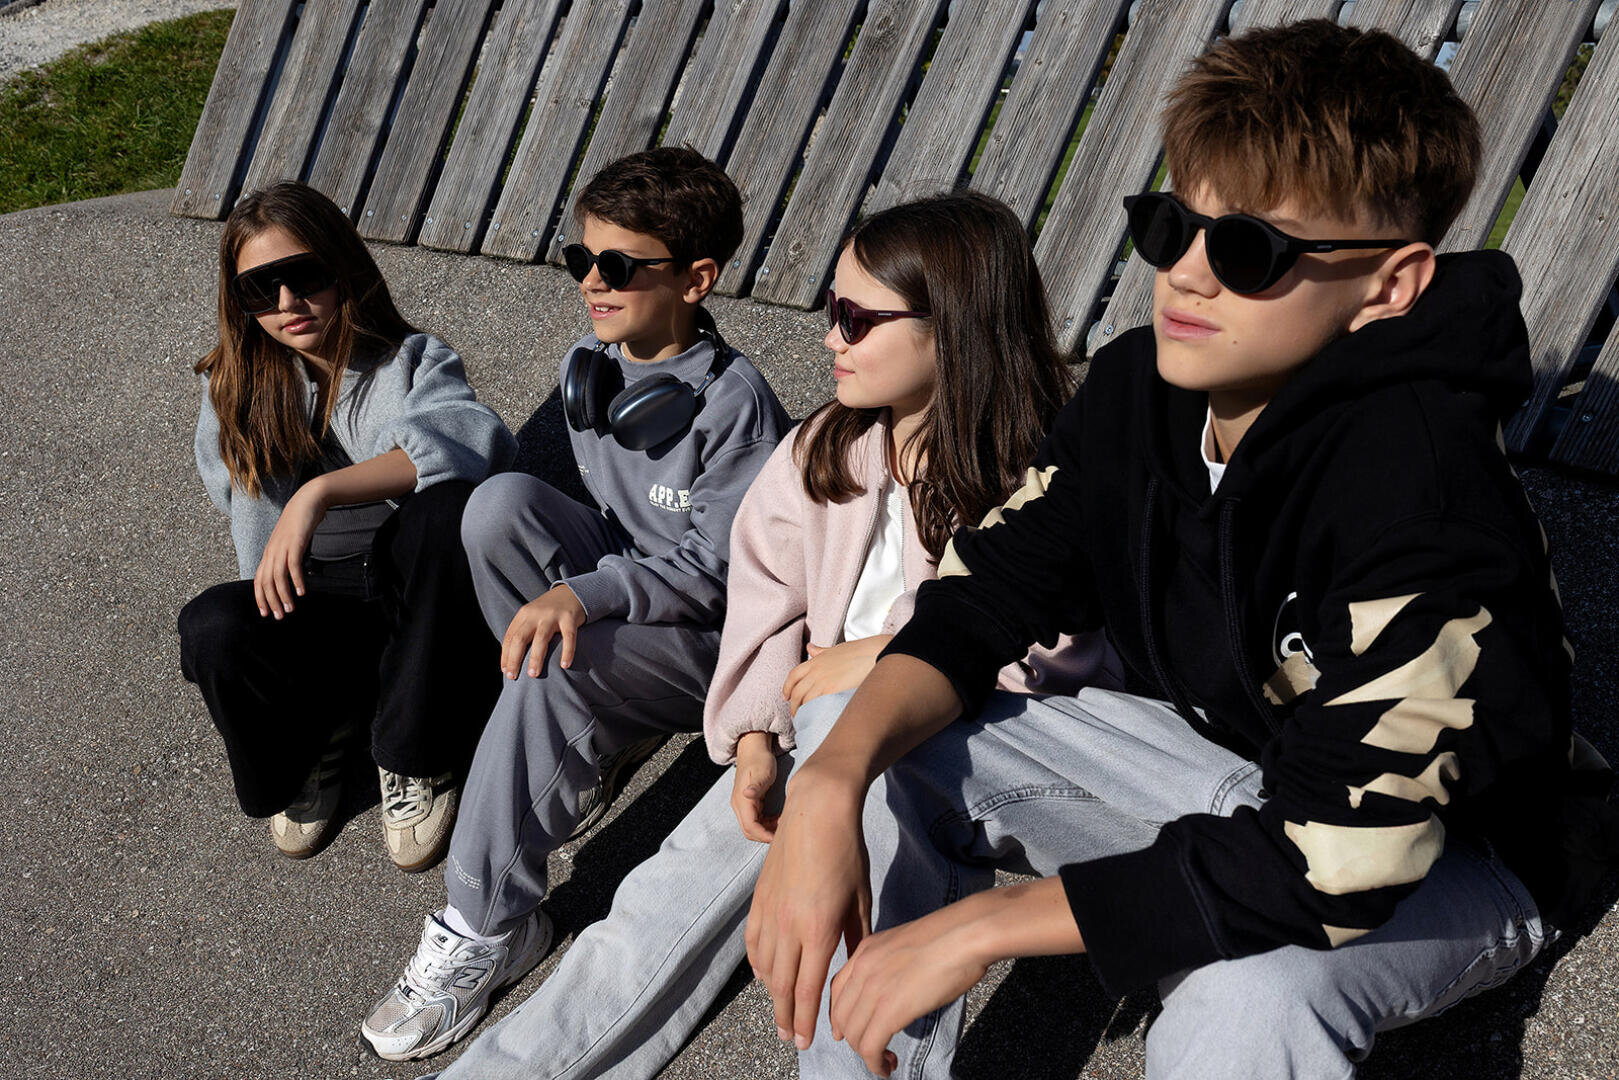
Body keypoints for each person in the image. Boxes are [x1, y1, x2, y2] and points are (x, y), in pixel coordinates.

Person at [745, 20, 1617, 1080]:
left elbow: (1343, 858)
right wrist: (829, 784)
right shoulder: (1133, 392)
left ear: (1388, 286)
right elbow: (985, 596)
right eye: (1170, 226)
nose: (1188, 276)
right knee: (860, 726)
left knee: (1247, 991)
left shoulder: (1418, 496)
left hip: (1446, 852)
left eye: (1250, 249)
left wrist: (975, 928)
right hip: (1227, 769)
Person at [398, 189, 1121, 1079]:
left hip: (968, 741)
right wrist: (749, 740)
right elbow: (765, 598)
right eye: (830, 310)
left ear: (955, 328)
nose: (828, 338)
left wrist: (879, 654)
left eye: (855, 318)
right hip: (814, 726)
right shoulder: (828, 445)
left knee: (868, 955)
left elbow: (1063, 640)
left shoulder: (1042, 464)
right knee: (643, 919)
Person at [361, 146, 792, 1062]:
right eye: (580, 260)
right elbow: (590, 529)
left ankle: (488, 924)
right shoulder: (592, 364)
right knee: (495, 509)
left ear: (698, 279)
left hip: (725, 640)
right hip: (641, 583)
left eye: (620, 267)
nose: (592, 282)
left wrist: (584, 594)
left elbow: (718, 573)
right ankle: (587, 735)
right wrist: (583, 587)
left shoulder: (735, 409)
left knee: (559, 662)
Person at [178, 180, 517, 870]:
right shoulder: (233, 387)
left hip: (415, 608)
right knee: (210, 624)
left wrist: (317, 495)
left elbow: (476, 445)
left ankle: (411, 753)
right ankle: (309, 745)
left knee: (446, 510)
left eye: (302, 277)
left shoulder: (409, 359)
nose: (285, 305)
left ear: (342, 267)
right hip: (315, 608)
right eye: (257, 290)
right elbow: (226, 490)